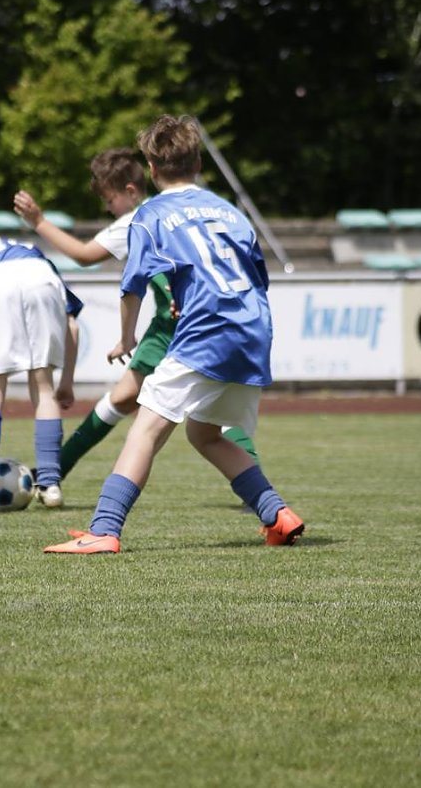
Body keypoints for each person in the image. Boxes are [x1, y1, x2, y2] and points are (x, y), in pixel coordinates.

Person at [42, 115, 304, 554]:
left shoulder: (151, 214)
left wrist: (126, 338)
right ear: (198, 161)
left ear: (151, 166)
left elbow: (133, 284)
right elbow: (256, 275)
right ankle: (277, 514)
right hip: (253, 329)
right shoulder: (229, 212)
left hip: (206, 331)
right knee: (204, 434)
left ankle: (105, 530)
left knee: (145, 429)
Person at [13, 149, 258, 484]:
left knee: (193, 411)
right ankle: (54, 474)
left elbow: (86, 255)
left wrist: (39, 222)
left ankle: (53, 474)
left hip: (176, 327)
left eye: (109, 200)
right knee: (143, 400)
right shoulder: (188, 209)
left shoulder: (139, 217)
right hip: (202, 320)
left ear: (130, 191)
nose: (107, 209)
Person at [0, 235, 82, 513]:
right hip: (41, 281)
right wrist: (67, 381)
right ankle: (50, 486)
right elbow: (72, 324)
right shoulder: (39, 258)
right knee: (44, 387)